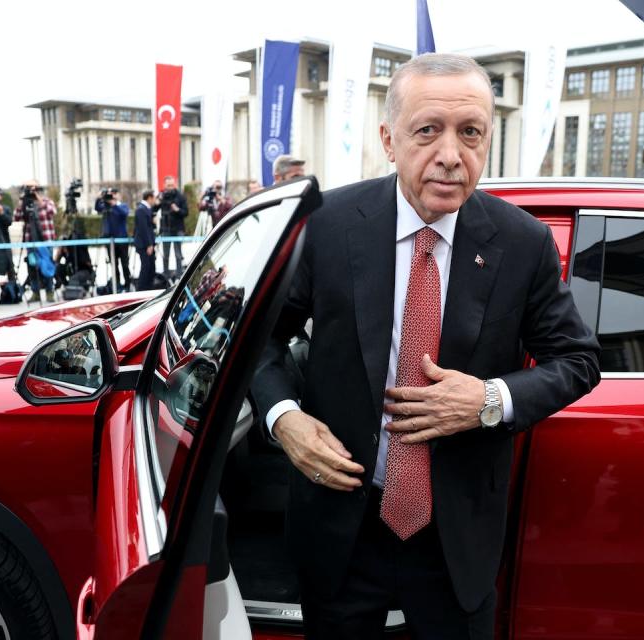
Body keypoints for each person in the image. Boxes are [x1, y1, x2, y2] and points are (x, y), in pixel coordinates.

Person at [252, 53, 601, 639]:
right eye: (427, 130)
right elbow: (259, 341)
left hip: (456, 535)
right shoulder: (329, 226)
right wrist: (286, 420)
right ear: (389, 140)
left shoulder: (523, 243)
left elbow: (579, 361)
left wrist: (490, 399)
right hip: (342, 524)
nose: (450, 154)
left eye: (470, 133)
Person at [14, 181, 57, 302]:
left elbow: (52, 212)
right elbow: (16, 217)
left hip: (46, 239)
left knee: (47, 264)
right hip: (30, 240)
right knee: (32, 266)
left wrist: (37, 198)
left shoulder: (47, 201)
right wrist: (22, 201)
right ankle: (35, 292)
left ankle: (50, 291)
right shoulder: (25, 203)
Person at [97, 188, 131, 291]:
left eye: (114, 193)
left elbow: (124, 213)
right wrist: (99, 198)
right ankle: (117, 285)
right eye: (110, 194)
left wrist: (114, 204)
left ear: (118, 195)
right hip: (110, 240)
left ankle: (127, 284)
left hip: (122, 240)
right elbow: (97, 208)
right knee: (114, 264)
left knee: (125, 264)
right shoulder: (106, 207)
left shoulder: (122, 206)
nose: (112, 195)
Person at [153, 176, 188, 273]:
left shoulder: (180, 196)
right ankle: (166, 274)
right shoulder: (161, 195)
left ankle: (179, 275)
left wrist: (177, 210)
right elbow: (153, 210)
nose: (170, 187)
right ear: (164, 185)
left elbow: (186, 212)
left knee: (178, 254)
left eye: (172, 185)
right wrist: (157, 203)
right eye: (168, 185)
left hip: (178, 229)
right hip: (166, 228)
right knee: (166, 254)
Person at [133, 189, 157, 290]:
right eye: (154, 198)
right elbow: (143, 229)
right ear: (150, 198)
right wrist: (149, 244)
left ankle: (148, 287)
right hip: (144, 245)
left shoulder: (146, 209)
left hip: (148, 244)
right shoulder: (141, 209)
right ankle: (141, 288)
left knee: (151, 267)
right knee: (146, 267)